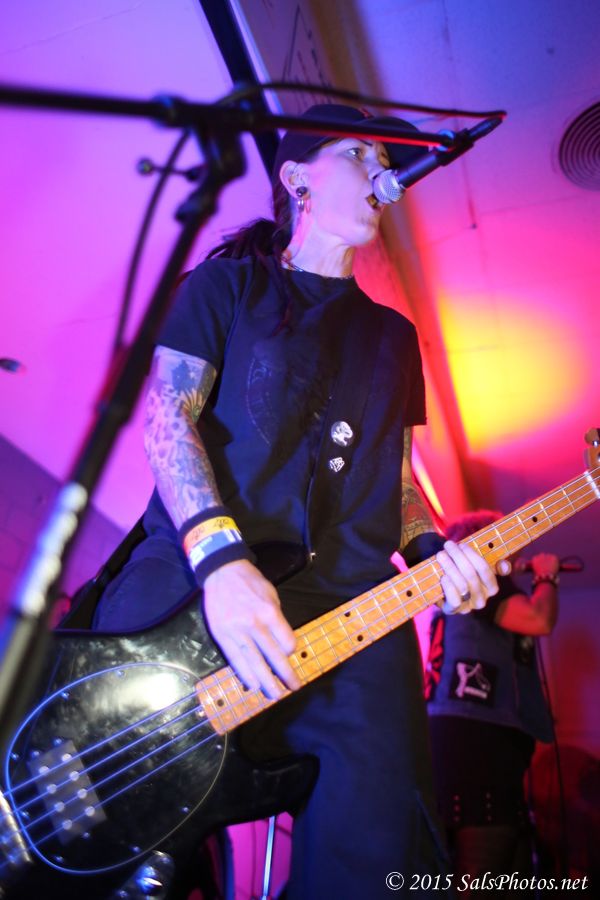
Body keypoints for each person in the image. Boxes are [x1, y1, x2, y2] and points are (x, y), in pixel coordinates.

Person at [93, 104, 502, 899]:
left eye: (384, 158)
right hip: (197, 576)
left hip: (350, 611)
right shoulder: (226, 286)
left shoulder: (394, 337)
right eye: (359, 153)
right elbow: (167, 415)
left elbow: (399, 483)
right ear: (296, 177)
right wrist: (221, 562)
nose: (381, 170)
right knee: (122, 828)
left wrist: (436, 554)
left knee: (385, 858)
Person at [425, 509, 559, 894]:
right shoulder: (479, 582)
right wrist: (546, 577)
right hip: (478, 738)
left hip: (458, 734)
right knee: (482, 869)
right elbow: (538, 619)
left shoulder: (456, 591)